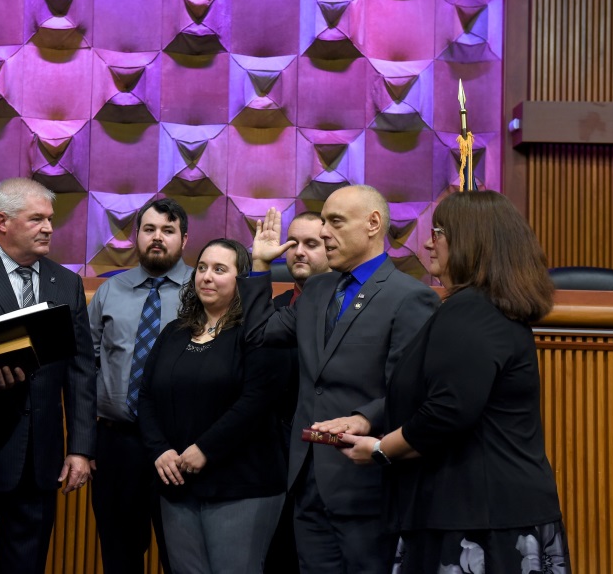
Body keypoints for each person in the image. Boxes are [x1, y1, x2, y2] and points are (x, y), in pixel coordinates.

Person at [339, 190, 571, 573]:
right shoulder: (488, 309)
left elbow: (447, 412)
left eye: (440, 232)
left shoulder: (472, 312)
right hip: (484, 510)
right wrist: (369, 421)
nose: (429, 242)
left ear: (470, 242)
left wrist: (380, 449)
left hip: (476, 521)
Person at [241, 185, 440, 573]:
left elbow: (409, 391)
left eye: (335, 222)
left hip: (366, 481)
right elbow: (258, 334)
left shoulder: (411, 297)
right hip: (306, 479)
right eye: (324, 221)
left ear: (373, 224)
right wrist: (261, 266)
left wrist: (365, 416)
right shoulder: (316, 289)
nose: (325, 232)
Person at [0, 178, 96, 574]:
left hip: (39, 462)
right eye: (37, 219)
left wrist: (81, 448)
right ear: (2, 221)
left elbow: (82, 371)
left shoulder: (66, 282)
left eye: (50, 219)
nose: (49, 227)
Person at [138, 238, 288, 574]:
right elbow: (146, 395)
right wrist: (159, 450)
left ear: (242, 278)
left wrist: (205, 448)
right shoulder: (174, 332)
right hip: (176, 483)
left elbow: (257, 401)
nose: (206, 276)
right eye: (202, 268)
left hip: (242, 486)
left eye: (219, 269)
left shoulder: (261, 331)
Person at [88, 198, 191, 573]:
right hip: (118, 445)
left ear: (184, 238)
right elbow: (85, 367)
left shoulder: (204, 289)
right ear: (136, 236)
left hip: (179, 448)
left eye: (167, 230)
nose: (157, 238)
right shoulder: (109, 292)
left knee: (180, 557)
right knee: (120, 556)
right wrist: (85, 445)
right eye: (149, 230)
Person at [266, 211, 330, 574]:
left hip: (323, 459)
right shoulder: (272, 311)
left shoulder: (345, 310)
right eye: (292, 243)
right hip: (270, 463)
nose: (299, 252)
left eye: (311, 244)